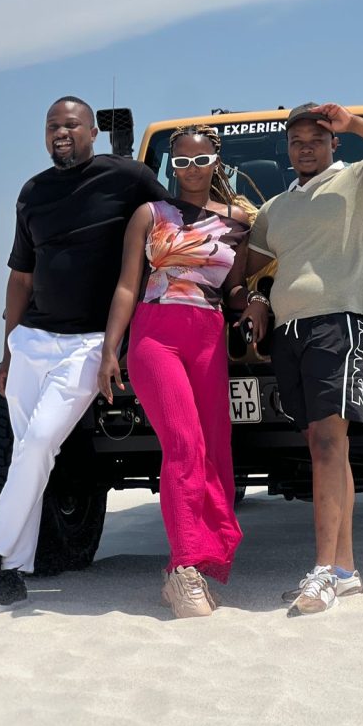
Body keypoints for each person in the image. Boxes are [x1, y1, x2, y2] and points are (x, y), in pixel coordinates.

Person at [0, 96, 168, 613]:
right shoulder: (33, 193)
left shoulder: (128, 177)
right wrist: (7, 352)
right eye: (51, 127)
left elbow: (176, 220)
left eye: (70, 125)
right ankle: (13, 575)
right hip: (32, 341)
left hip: (89, 343)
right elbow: (20, 275)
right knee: (28, 453)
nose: (60, 133)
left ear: (91, 131)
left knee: (41, 442)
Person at [246, 102, 363, 617]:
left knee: (328, 440)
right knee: (327, 447)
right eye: (297, 141)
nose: (306, 148)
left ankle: (322, 571)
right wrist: (257, 296)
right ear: (288, 148)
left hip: (342, 323)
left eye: (317, 139)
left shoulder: (359, 181)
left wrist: (354, 123)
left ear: (333, 145)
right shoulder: (276, 209)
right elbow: (246, 269)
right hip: (290, 332)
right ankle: (345, 571)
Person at [97, 125, 269, 618]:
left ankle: (203, 555)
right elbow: (128, 287)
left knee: (214, 450)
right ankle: (182, 570)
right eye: (181, 163)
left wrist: (254, 302)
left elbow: (231, 289)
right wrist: (113, 349)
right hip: (156, 337)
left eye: (201, 161)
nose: (191, 171)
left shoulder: (238, 221)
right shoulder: (151, 215)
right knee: (183, 445)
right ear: (169, 168)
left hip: (209, 339)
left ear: (218, 161)